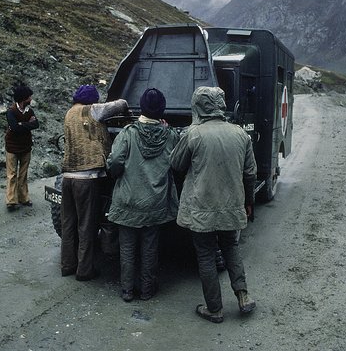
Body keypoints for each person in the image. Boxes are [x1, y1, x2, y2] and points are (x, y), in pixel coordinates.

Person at [170, 86, 257, 323]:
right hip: (232, 205)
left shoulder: (193, 134)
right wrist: (249, 201)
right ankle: (243, 296)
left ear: (198, 106)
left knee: (206, 255)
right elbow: (250, 173)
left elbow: (176, 165)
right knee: (231, 247)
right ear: (220, 104)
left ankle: (215, 309)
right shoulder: (240, 134)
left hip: (201, 208)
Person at [107, 88, 179, 302]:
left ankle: (127, 290)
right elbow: (176, 164)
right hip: (155, 203)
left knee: (127, 248)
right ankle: (147, 290)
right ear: (162, 110)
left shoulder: (128, 133)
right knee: (150, 248)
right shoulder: (170, 135)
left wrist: (117, 174)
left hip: (128, 201)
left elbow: (115, 163)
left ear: (142, 107)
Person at [61, 84, 128, 281]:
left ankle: (67, 265)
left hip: (68, 177)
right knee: (86, 226)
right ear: (92, 100)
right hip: (87, 178)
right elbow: (120, 104)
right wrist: (125, 107)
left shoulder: (69, 113)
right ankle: (84, 270)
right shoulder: (93, 110)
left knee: (68, 224)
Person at [5, 85, 39, 211]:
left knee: (23, 174)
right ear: (24, 99)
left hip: (26, 146)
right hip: (12, 147)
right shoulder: (11, 111)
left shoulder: (30, 111)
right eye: (29, 97)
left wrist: (22, 124)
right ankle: (11, 201)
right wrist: (27, 124)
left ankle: (23, 198)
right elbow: (14, 127)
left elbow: (36, 124)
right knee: (12, 174)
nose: (31, 99)